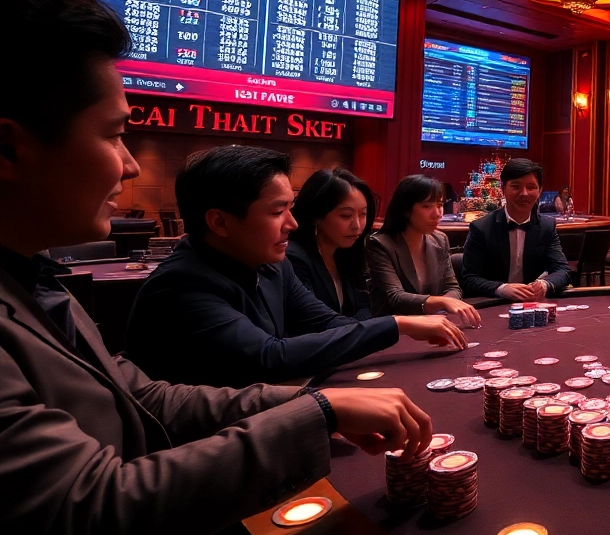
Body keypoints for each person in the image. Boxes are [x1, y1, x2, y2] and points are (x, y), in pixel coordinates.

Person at [0, 0, 432, 535]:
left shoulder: (36, 283)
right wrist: (320, 410)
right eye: (114, 134)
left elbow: (145, 395)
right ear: (9, 149)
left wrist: (317, 402)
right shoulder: (180, 284)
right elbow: (90, 515)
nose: (129, 166)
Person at [125, 146, 469, 388]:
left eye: (291, 208)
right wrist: (396, 324)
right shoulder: (182, 285)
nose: (292, 224)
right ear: (220, 222)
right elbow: (270, 357)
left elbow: (328, 322)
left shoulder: (272, 265)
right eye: (277, 212)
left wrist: (400, 328)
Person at [366, 174, 482, 322]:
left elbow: (452, 287)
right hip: (394, 330)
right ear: (405, 210)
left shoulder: (440, 240)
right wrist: (441, 302)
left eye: (440, 205)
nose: (437, 214)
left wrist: (447, 301)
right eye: (426, 206)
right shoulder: (380, 244)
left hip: (433, 323)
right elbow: (394, 297)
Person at [460, 158, 570, 299]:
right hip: (493, 304)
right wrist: (501, 288)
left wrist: (544, 284)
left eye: (531, 187)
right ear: (503, 188)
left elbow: (563, 270)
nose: (524, 193)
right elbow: (469, 278)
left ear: (540, 190)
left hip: (533, 304)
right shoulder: (481, 228)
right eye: (516, 186)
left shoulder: (546, 227)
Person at [286, 168, 377, 319]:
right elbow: (315, 320)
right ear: (316, 216)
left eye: (363, 214)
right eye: (346, 215)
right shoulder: (295, 259)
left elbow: (365, 306)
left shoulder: (346, 252)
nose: (357, 225)